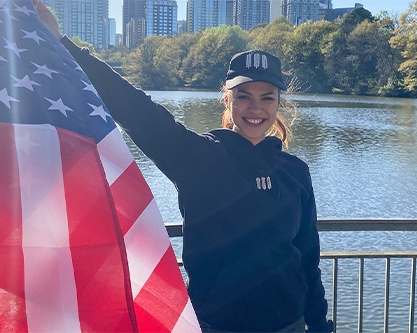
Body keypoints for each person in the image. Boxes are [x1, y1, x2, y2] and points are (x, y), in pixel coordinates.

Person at [36, 2, 333, 332]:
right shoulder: (198, 157)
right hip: (215, 326)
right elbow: (135, 108)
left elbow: (308, 260)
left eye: (267, 97)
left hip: (289, 326)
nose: (255, 108)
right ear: (227, 99)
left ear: (279, 103)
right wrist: (61, 43)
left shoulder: (296, 172)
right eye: (244, 96)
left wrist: (320, 325)